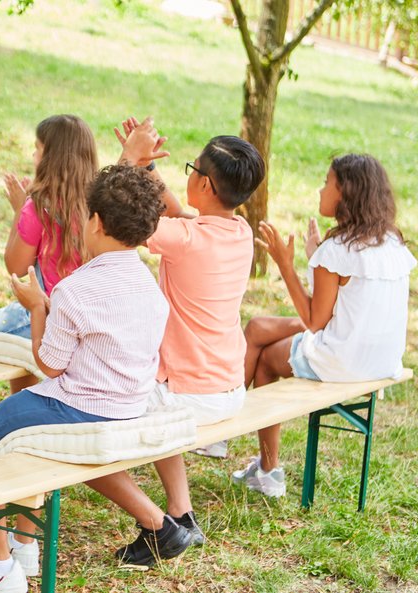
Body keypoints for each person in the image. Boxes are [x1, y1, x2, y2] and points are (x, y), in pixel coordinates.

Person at [0, 164, 192, 593]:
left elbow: (51, 365)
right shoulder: (150, 286)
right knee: (14, 433)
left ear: (94, 221)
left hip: (77, 405)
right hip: (129, 402)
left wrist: (38, 308)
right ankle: (22, 547)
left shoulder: (74, 289)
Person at [117, 118, 266, 544]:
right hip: (227, 388)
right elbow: (179, 214)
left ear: (206, 186)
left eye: (192, 170)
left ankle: (161, 529)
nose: (188, 177)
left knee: (97, 402)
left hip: (186, 395)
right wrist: (146, 169)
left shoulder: (185, 238)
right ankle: (183, 516)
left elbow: (119, 213)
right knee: (157, 397)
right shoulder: (239, 232)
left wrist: (128, 160)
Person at [235, 154, 416, 497]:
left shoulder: (337, 248)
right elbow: (342, 303)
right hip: (382, 359)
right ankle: (258, 462)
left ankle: (267, 469)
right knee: (260, 326)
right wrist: (315, 255)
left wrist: (286, 265)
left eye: (325, 182)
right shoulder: (391, 241)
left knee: (265, 359)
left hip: (342, 360)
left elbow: (315, 321)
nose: (320, 189)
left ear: (344, 193)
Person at [0, 114, 98, 429]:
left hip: (49, 315)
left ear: (51, 158)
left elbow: (16, 269)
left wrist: (21, 210)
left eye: (37, 148)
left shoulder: (39, 205)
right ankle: (24, 427)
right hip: (88, 317)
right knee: (22, 338)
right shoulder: (97, 203)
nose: (33, 156)